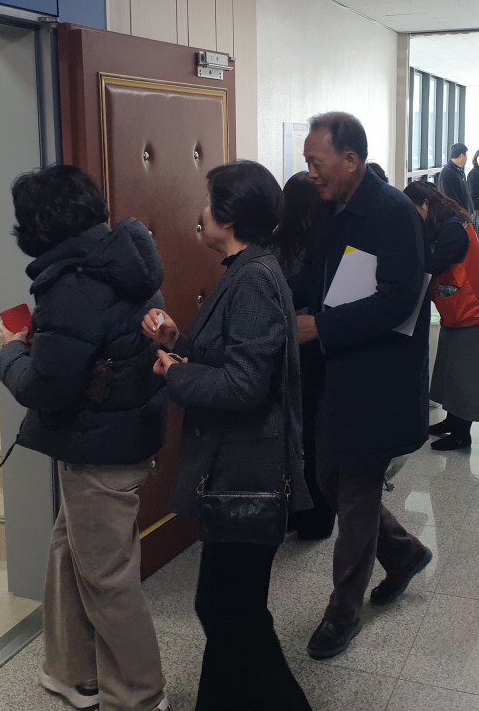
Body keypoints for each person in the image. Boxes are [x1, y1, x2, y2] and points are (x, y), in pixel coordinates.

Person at [0, 165, 170, 711]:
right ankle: (74, 671)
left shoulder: (73, 286)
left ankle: (141, 695)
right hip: (122, 434)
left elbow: (46, 387)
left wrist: (9, 351)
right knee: (70, 553)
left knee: (107, 577)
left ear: (38, 225)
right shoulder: (124, 258)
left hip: (99, 449)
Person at [143, 160, 312, 711]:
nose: (201, 213)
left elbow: (245, 385)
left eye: (209, 202)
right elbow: (233, 355)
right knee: (224, 608)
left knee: (231, 611)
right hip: (238, 467)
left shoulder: (255, 278)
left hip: (248, 471)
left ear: (230, 216)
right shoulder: (247, 270)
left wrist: (177, 375)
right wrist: (180, 342)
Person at [290, 112, 432, 661]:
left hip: (378, 379)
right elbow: (315, 274)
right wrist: (267, 288)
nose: (310, 172)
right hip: (338, 373)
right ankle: (403, 553)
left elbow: (398, 300)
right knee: (329, 477)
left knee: (355, 492)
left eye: (316, 162)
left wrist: (320, 327)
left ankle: (342, 613)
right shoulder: (332, 208)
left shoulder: (392, 212)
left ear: (350, 160)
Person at [404, 182, 479, 451]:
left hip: (474, 313)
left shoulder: (452, 230)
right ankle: (452, 421)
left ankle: (462, 434)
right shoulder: (446, 223)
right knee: (452, 370)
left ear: (425, 204)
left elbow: (432, 265)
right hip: (458, 310)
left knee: (467, 376)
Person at [272, 172, 334, 540]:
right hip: (317, 347)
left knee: (293, 434)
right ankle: (317, 514)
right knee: (314, 435)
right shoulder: (325, 243)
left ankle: (298, 509)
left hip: (286, 347)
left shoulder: (276, 247)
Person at [437, 142, 472, 213]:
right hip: (456, 214)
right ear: (461, 156)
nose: (467, 158)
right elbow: (449, 197)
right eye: (466, 155)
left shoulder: (459, 170)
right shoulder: (447, 173)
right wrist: (461, 211)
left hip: (464, 213)